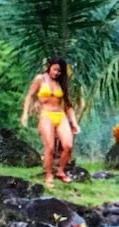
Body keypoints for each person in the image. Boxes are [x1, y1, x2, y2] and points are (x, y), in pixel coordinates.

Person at [21, 57, 80, 188]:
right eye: (55, 69)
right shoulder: (40, 79)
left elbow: (69, 105)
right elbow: (30, 95)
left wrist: (74, 123)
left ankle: (60, 171)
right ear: (49, 67)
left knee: (68, 145)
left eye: (59, 71)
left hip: (61, 115)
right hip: (46, 114)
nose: (56, 73)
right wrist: (25, 114)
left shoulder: (62, 83)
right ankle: (48, 175)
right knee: (50, 147)